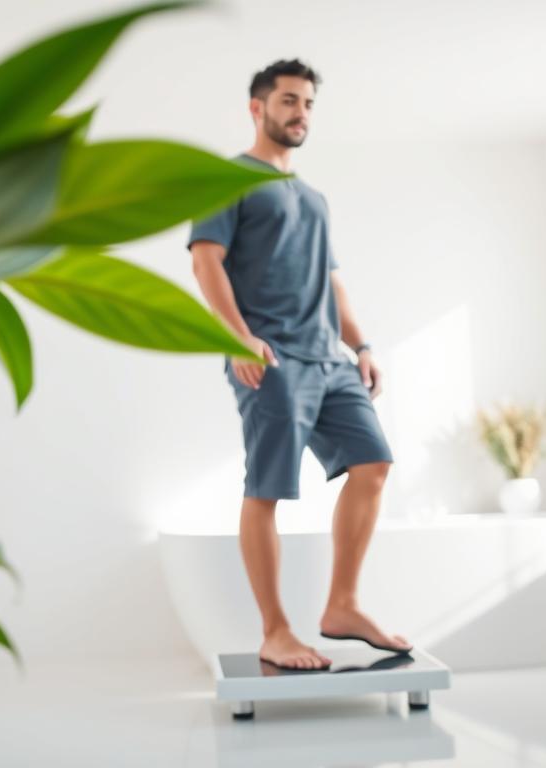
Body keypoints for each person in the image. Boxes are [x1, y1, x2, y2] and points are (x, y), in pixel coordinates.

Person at [188, 59, 409, 671]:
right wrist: (238, 339)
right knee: (268, 488)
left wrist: (360, 347)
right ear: (258, 108)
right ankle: (276, 630)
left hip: (329, 360)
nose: (300, 112)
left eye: (308, 103)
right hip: (271, 358)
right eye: (288, 101)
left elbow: (332, 283)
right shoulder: (225, 179)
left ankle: (343, 605)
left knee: (373, 463)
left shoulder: (313, 198)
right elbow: (206, 262)